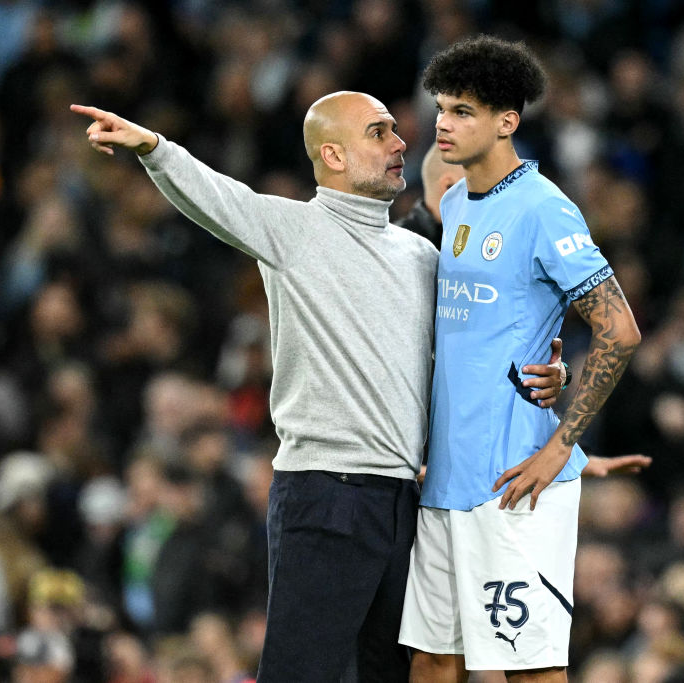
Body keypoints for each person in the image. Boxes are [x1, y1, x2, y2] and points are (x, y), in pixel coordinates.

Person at [71, 93, 567, 682]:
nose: (400, 142)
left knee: (386, 675)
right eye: (379, 133)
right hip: (324, 492)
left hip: (403, 500)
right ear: (332, 153)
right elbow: (211, 194)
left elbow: (468, 356)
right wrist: (153, 148)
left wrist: (539, 372)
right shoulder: (293, 230)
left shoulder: (420, 256)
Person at [399, 36, 643, 683]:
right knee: (432, 660)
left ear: (508, 120)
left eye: (463, 112)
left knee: (528, 671)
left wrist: (562, 444)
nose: (443, 125)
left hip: (514, 480)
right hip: (445, 479)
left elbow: (620, 328)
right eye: (442, 110)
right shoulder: (453, 205)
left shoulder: (543, 207)